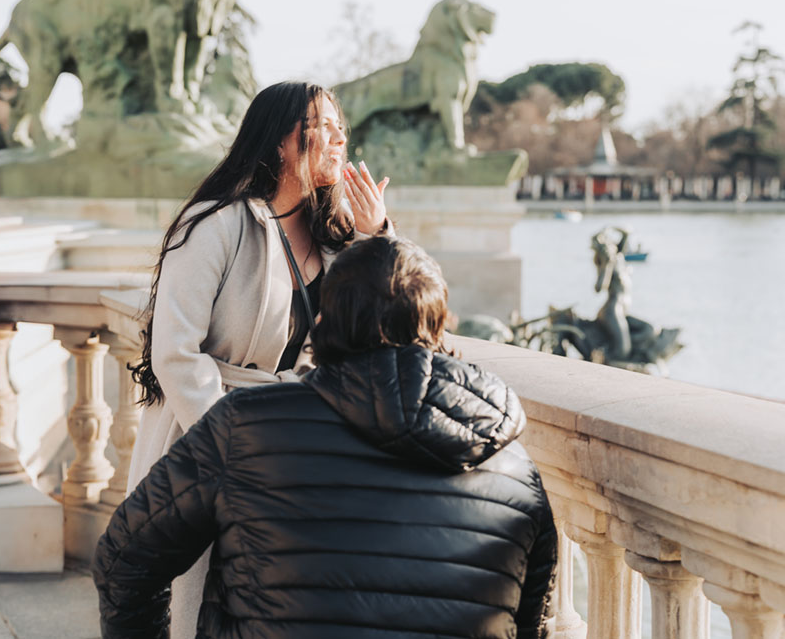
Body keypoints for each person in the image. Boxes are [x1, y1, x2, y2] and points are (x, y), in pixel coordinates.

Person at [95, 235, 558, 638]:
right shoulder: (517, 473)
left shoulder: (243, 427)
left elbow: (122, 563)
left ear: (323, 324)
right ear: (440, 329)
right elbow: (530, 623)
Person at [126, 81, 391, 637]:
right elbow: (175, 352)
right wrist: (239, 444)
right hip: (205, 442)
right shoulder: (214, 225)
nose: (341, 137)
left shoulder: (335, 237)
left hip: (291, 447)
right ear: (281, 143)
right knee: (202, 605)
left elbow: (402, 323)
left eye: (342, 126)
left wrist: (381, 237)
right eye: (325, 125)